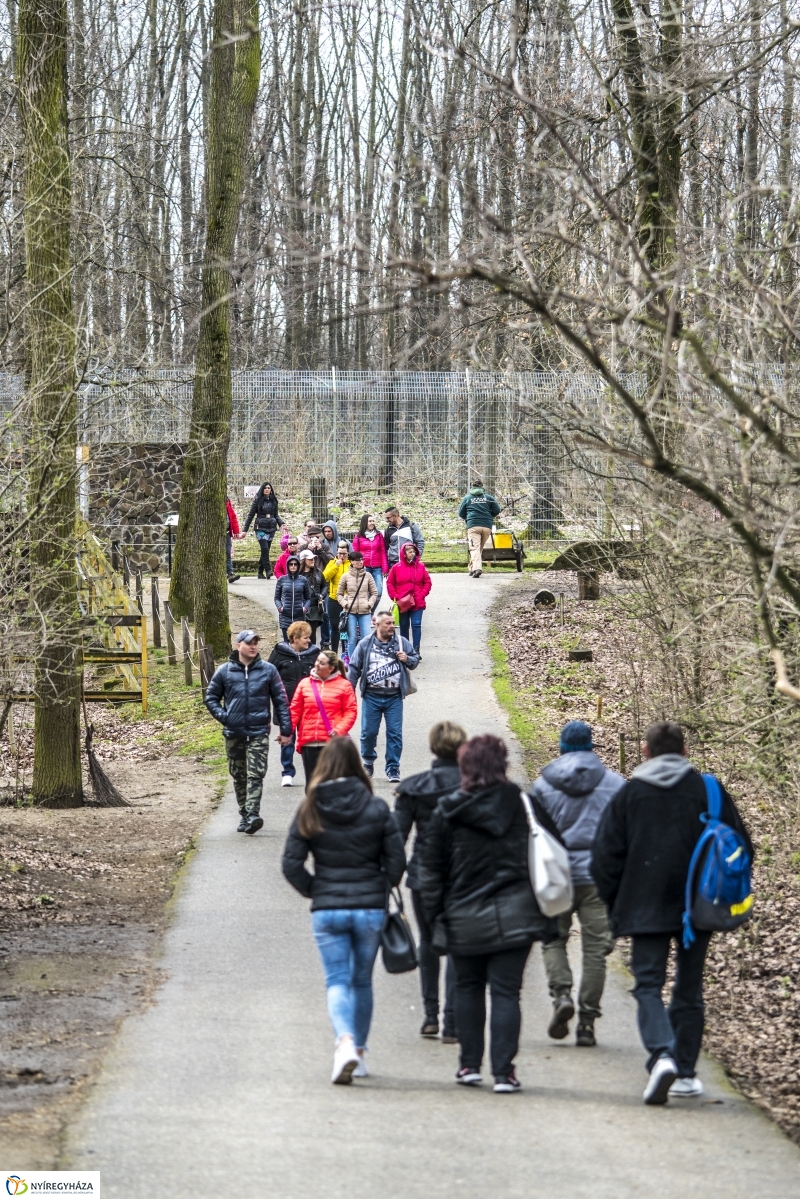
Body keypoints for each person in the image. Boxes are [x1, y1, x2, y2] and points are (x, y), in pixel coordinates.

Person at [591, 720, 753, 1106]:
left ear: (645, 752)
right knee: (688, 987)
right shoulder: (709, 791)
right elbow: (742, 848)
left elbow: (603, 859)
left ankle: (661, 1054)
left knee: (647, 983)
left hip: (643, 905)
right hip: (699, 906)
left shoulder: (629, 796)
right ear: (684, 752)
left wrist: (616, 904)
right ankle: (684, 1071)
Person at [419, 735, 558, 1093]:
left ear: (464, 766)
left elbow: (430, 869)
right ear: (503, 765)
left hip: (463, 913)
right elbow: (557, 852)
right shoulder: (526, 805)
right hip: (518, 913)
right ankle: (504, 1072)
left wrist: (436, 915)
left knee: (467, 987)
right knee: (507, 992)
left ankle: (469, 1065)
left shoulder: (448, 810)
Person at [282, 737, 406, 1084]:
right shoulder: (377, 807)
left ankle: (345, 1043)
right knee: (362, 981)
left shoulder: (310, 806)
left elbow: (291, 864)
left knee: (337, 979)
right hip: (369, 908)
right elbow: (397, 862)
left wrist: (317, 891)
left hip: (328, 909)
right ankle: (361, 1053)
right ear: (355, 765)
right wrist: (380, 888)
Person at [530, 720, 623, 1047]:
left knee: (553, 938)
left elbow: (534, 833)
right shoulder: (615, 784)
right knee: (596, 950)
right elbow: (621, 836)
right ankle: (586, 1022)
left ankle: (561, 997)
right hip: (597, 876)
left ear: (561, 747)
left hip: (556, 874)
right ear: (590, 746)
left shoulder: (542, 785)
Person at [394, 720, 466, 1042]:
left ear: (433, 748)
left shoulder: (413, 788)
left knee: (427, 942)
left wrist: (390, 879)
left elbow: (397, 838)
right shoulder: (474, 786)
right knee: (456, 947)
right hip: (463, 877)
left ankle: (430, 1015)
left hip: (423, 875)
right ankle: (452, 1021)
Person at [204, 630, 292, 833]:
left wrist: (286, 730)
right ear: (238, 646)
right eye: (249, 643)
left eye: (256, 643)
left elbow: (281, 701)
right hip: (233, 734)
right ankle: (244, 814)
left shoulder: (268, 670)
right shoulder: (224, 671)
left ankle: (253, 814)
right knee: (239, 775)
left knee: (256, 774)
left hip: (258, 732)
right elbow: (211, 698)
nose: (253, 647)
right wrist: (225, 717)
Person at [347, 610, 419, 783]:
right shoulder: (365, 644)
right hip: (371, 696)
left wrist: (407, 658)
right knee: (368, 733)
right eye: (388, 623)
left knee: (395, 734)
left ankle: (393, 768)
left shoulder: (402, 642)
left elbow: (415, 660)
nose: (392, 626)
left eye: (393, 623)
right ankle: (368, 762)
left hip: (394, 697)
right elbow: (354, 669)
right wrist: (349, 694)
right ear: (377, 625)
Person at [289, 649, 358, 786]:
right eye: (317, 661)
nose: (317, 664)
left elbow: (351, 712)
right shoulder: (304, 684)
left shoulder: (344, 685)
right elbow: (295, 710)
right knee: (312, 784)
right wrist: (287, 732)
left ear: (331, 668)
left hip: (331, 742)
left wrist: (338, 730)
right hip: (309, 742)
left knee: (330, 784)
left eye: (322, 663)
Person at [268, 621, 318, 787]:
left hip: (309, 706)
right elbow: (269, 675)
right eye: (305, 637)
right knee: (287, 738)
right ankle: (287, 772)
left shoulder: (315, 653)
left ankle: (312, 773)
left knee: (308, 741)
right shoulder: (280, 653)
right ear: (295, 638)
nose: (309, 640)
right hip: (286, 705)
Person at [386, 541, 431, 654]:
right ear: (404, 554)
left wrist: (421, 594)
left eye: (413, 551)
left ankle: (416, 649)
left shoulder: (421, 566)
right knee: (404, 626)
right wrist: (395, 596)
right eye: (409, 552)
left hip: (417, 601)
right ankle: (405, 649)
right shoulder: (396, 567)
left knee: (416, 624)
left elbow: (427, 582)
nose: (412, 553)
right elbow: (390, 583)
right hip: (403, 602)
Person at [458, 479, 501, 578]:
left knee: (474, 548)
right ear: (482, 488)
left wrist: (468, 518)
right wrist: (490, 516)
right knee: (478, 548)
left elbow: (461, 513)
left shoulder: (467, 498)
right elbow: (497, 509)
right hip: (487, 526)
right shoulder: (488, 498)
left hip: (473, 526)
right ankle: (472, 568)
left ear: (472, 488)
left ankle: (477, 569)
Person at [337, 551, 378, 653]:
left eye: (362, 559)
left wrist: (369, 604)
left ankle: (366, 662)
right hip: (350, 612)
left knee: (367, 638)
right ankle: (353, 664)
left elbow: (374, 593)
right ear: (351, 561)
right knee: (352, 639)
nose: (361, 562)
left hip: (365, 611)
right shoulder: (345, 576)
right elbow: (339, 594)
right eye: (358, 560)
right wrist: (345, 604)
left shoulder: (368, 575)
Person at [243, 482, 283, 579]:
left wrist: (281, 523)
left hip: (271, 528)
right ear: (262, 489)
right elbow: (250, 515)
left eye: (269, 488)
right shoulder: (257, 500)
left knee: (266, 550)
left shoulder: (274, 500)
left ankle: (260, 572)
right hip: (260, 528)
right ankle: (268, 570)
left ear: (271, 489)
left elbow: (276, 515)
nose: (267, 489)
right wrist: (245, 530)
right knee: (264, 549)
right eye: (265, 488)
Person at [274, 555, 310, 639]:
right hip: (285, 617)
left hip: (299, 616)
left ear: (298, 566)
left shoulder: (303, 580)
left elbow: (308, 598)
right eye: (291, 564)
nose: (293, 566)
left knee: (298, 643)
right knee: (287, 644)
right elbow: (276, 598)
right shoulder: (281, 580)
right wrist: (280, 608)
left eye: (295, 564)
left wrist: (305, 608)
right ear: (287, 565)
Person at [322, 542, 350, 654]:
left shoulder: (351, 564)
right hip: (334, 599)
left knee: (344, 627)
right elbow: (325, 577)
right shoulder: (332, 563)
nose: (342, 556)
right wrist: (336, 565)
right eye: (339, 553)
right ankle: (334, 652)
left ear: (348, 553)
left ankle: (345, 652)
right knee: (334, 626)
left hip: (347, 601)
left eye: (344, 553)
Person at [353, 514, 389, 599]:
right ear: (365, 522)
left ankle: (370, 611)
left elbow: (383, 552)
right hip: (364, 568)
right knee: (364, 593)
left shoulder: (379, 535)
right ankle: (367, 612)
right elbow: (355, 554)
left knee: (378, 593)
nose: (372, 523)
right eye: (370, 521)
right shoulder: (358, 536)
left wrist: (385, 568)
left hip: (377, 568)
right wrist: (356, 567)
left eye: (373, 521)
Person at [298, 549, 325, 644]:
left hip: (315, 607)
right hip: (302, 607)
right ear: (303, 560)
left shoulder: (318, 572)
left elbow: (325, 585)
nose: (313, 560)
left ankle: (312, 654)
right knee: (301, 633)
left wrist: (322, 595)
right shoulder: (298, 575)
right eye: (310, 559)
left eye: (313, 558)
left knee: (312, 634)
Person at [225, 497, 241, 583]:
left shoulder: (227, 502)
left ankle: (230, 574)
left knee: (228, 553)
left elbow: (233, 517)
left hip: (226, 532)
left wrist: (236, 531)